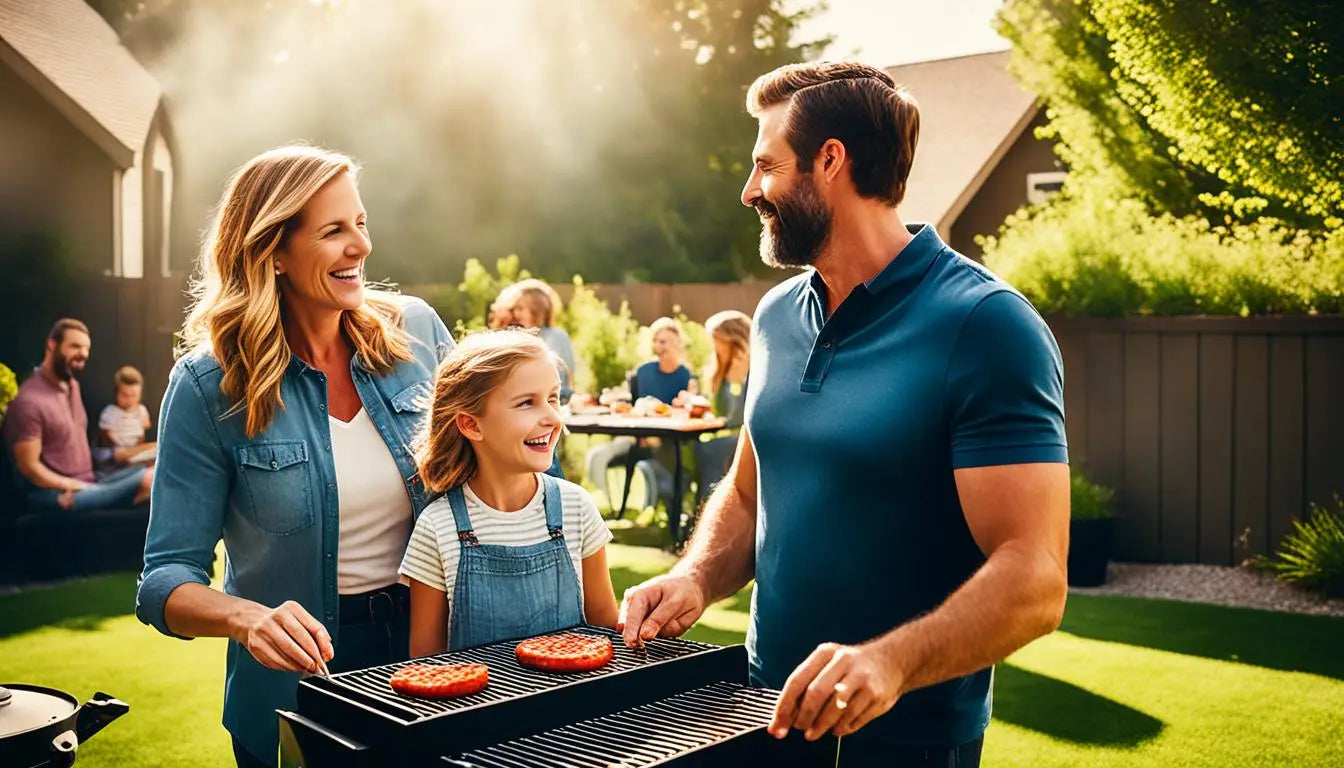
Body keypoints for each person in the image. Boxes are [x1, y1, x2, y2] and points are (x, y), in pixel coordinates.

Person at [618, 62, 1070, 767]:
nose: (749, 191)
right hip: (764, 715)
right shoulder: (774, 317)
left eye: (766, 166)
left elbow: (1035, 577)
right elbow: (747, 492)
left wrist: (889, 662)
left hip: (911, 737)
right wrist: (697, 577)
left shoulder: (987, 326)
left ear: (830, 161)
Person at [134, 145, 455, 768]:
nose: (360, 246)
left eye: (360, 223)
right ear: (273, 252)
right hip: (298, 681)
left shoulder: (417, 333)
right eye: (334, 230)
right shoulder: (209, 385)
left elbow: (506, 484)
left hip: (437, 651)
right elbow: (164, 580)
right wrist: (247, 620)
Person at [399, 329, 618, 655]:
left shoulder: (576, 508)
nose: (551, 417)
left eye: (553, 398)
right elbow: (426, 663)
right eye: (526, 403)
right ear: (472, 425)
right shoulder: (437, 527)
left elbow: (606, 634)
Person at [2, 319, 152, 511]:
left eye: (86, 348)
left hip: (90, 481)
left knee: (158, 468)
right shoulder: (29, 400)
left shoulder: (73, 387)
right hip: (57, 494)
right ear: (52, 345)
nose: (83, 354)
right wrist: (70, 485)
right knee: (150, 479)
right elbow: (28, 467)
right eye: (75, 346)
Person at [583, 317, 694, 512]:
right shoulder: (644, 372)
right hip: (639, 436)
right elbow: (637, 405)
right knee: (598, 455)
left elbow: (687, 408)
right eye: (656, 341)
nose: (658, 346)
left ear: (677, 343)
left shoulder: (685, 375)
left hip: (671, 438)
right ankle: (668, 501)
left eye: (664, 341)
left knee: (671, 453)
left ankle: (674, 502)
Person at [495, 279, 577, 402]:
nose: (516, 313)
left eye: (521, 309)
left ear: (537, 311)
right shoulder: (517, 338)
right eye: (515, 309)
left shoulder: (555, 336)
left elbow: (560, 375)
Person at [97, 365, 156, 468]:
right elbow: (106, 437)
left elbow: (143, 431)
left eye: (134, 395)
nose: (129, 400)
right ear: (117, 393)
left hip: (136, 450)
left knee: (156, 447)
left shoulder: (141, 410)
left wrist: (137, 448)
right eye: (124, 395)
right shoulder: (110, 412)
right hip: (117, 451)